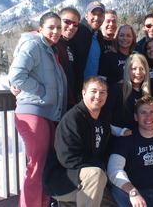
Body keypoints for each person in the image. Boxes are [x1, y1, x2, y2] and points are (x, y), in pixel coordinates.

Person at [8, 12, 67, 207]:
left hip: (45, 113)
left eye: (59, 27)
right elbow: (16, 75)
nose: (56, 31)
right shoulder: (34, 45)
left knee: (43, 167)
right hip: (32, 112)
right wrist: (40, 91)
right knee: (35, 167)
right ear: (40, 28)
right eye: (51, 27)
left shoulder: (50, 49)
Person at [42, 76, 118, 207]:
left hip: (86, 179)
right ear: (84, 93)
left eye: (102, 92)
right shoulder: (72, 119)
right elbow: (68, 157)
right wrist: (100, 165)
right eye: (93, 91)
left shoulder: (104, 118)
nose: (97, 96)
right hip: (63, 180)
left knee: (114, 203)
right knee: (96, 174)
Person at [104, 53, 151, 137]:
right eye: (133, 69)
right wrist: (119, 132)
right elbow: (102, 117)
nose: (138, 72)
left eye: (142, 69)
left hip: (139, 142)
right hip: (117, 141)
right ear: (127, 70)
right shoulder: (117, 89)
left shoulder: (147, 94)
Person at [69, 1, 105, 101]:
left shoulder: (99, 36)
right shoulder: (78, 31)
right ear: (86, 16)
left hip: (93, 93)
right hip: (76, 92)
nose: (97, 18)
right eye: (93, 14)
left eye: (100, 15)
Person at [56, 7, 81, 108]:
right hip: (55, 103)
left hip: (69, 100)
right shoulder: (51, 44)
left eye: (75, 24)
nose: (71, 27)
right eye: (67, 22)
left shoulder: (69, 45)